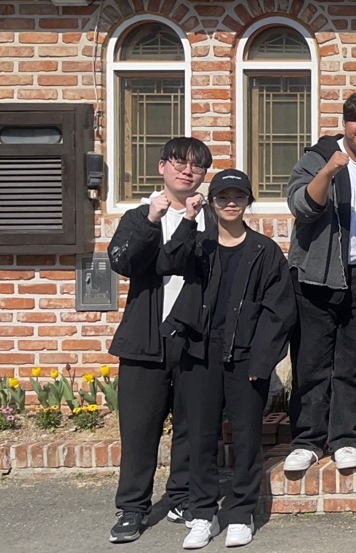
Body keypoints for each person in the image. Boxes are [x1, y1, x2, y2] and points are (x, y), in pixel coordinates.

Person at [163, 170, 295, 550]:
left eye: (238, 196)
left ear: (248, 201)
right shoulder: (198, 245)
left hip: (245, 355)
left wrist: (262, 361)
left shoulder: (264, 251)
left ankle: (240, 513)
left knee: (247, 436)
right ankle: (202, 514)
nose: (231, 203)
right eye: (223, 197)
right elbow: (168, 261)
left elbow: (279, 311)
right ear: (213, 202)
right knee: (200, 437)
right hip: (198, 352)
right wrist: (189, 219)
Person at [283, 90, 356, 474]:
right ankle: (307, 441)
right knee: (311, 362)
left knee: (355, 362)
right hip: (318, 274)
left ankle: (344, 438)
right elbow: (301, 206)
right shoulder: (318, 158)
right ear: (345, 121)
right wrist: (329, 172)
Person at [105, 137, 211, 544]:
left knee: (191, 425)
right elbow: (123, 262)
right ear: (162, 167)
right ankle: (132, 508)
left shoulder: (210, 218)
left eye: (197, 166)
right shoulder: (139, 215)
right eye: (179, 163)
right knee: (139, 429)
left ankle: (182, 497)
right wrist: (152, 220)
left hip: (194, 337)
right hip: (144, 338)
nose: (188, 171)